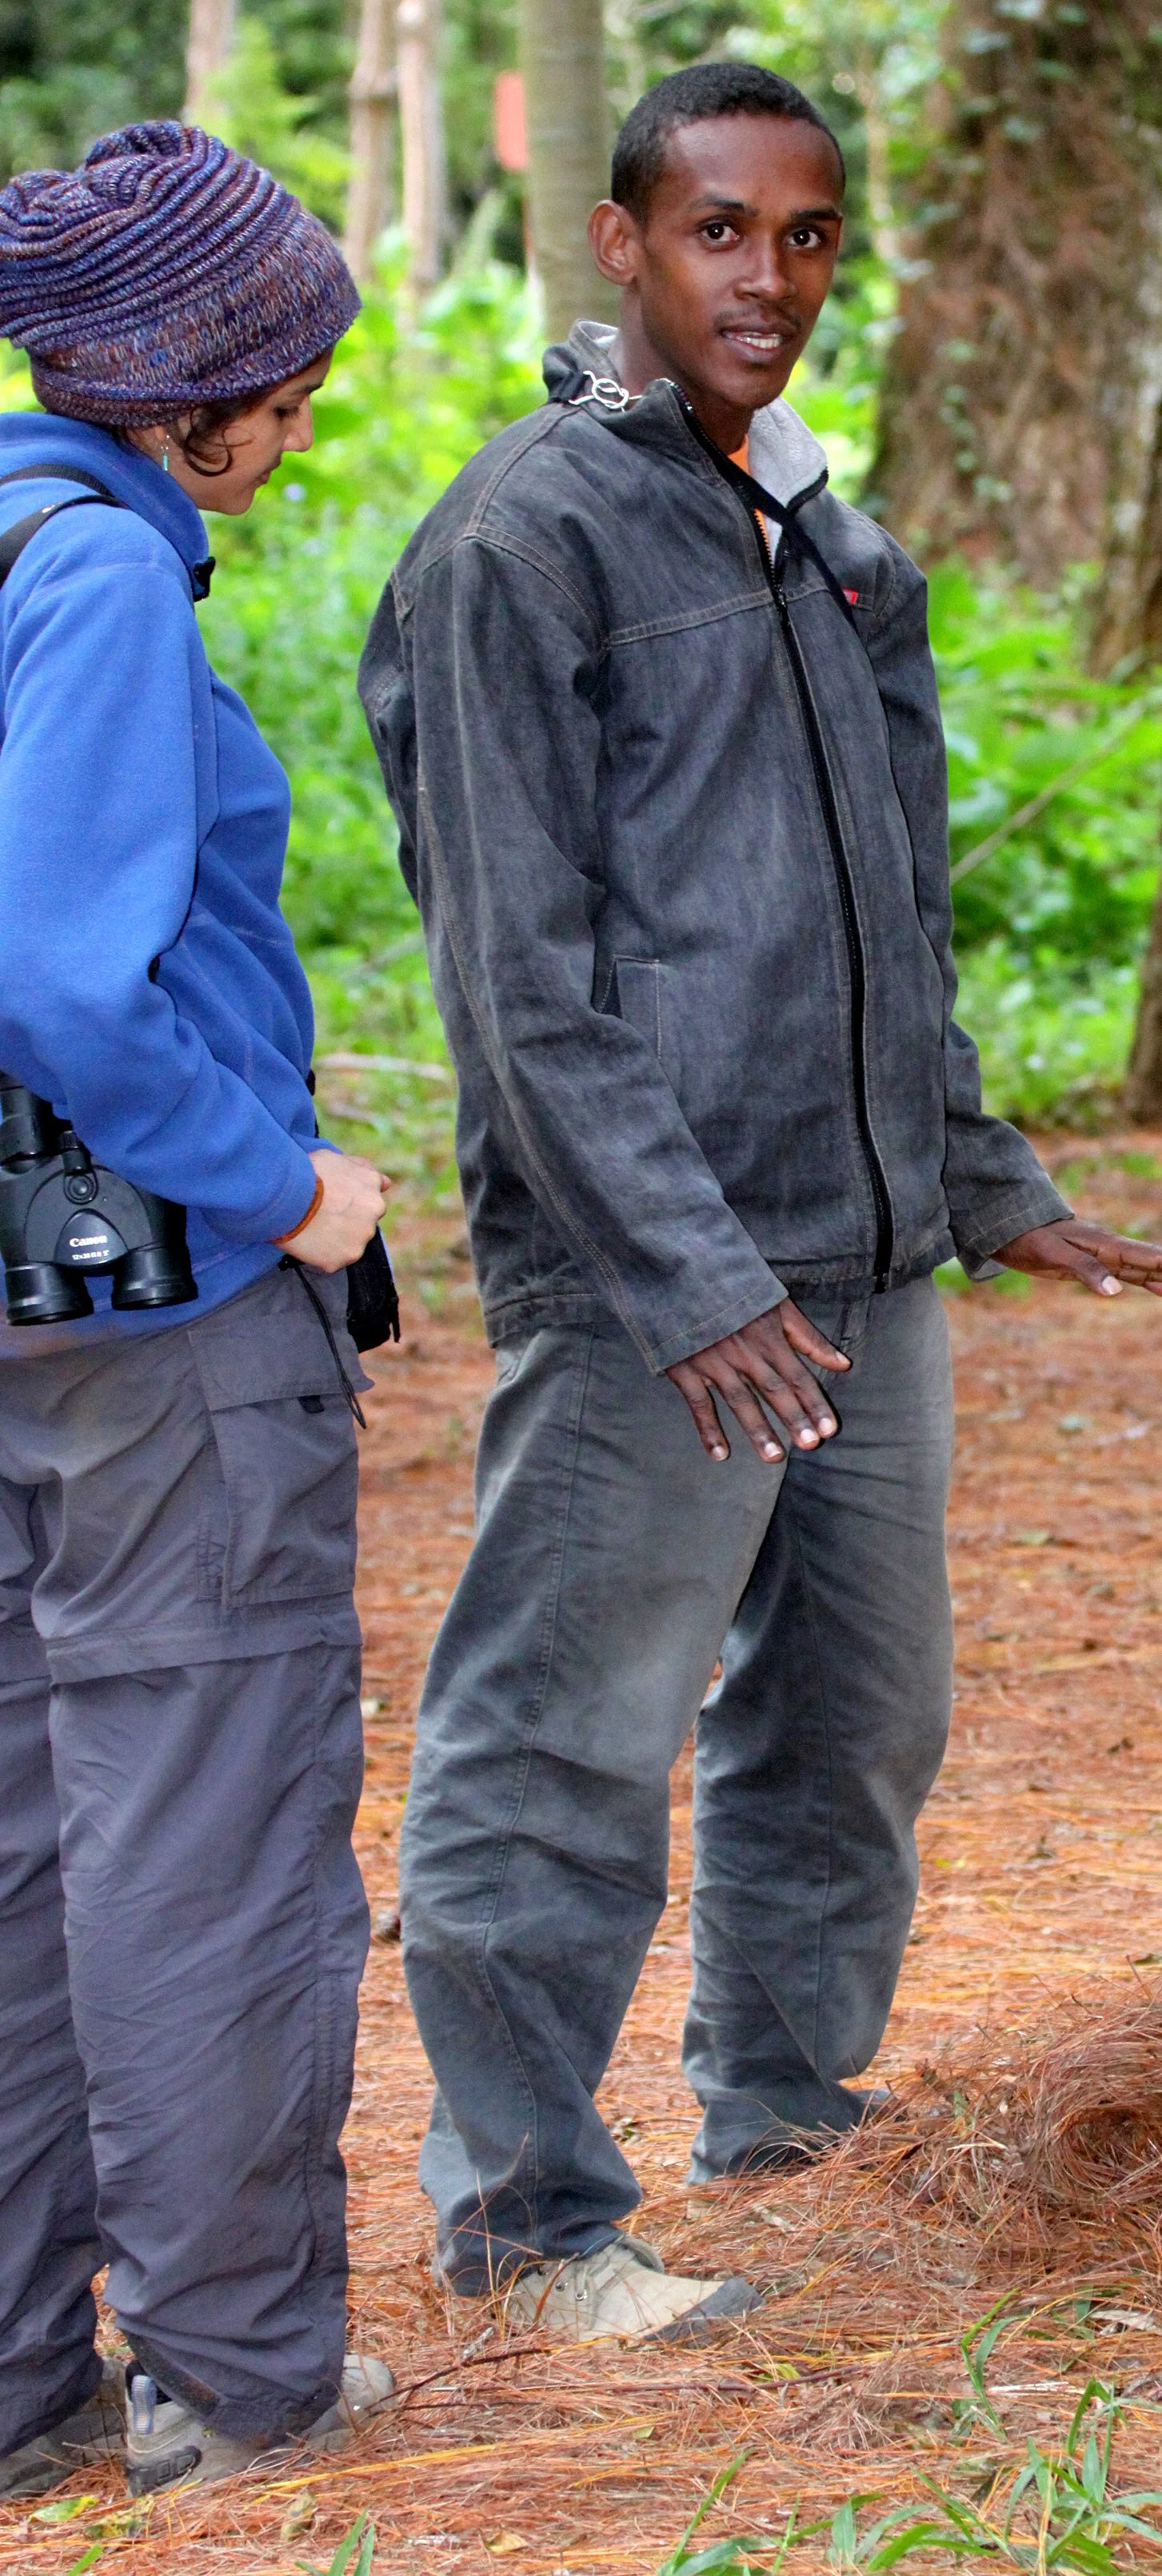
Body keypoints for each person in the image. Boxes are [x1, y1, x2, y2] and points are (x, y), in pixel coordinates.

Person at [358, 61, 1162, 2345]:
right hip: (661, 1287)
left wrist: (982, 1183)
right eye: (720, 231)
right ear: (626, 248)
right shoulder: (519, 544)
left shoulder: (838, 544)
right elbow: (516, 979)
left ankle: (787, 2119)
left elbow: (891, 930)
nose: (771, 277)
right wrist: (686, 1276)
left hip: (860, 1264)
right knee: (563, 1732)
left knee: (853, 1715)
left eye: (812, 233)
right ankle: (526, 2218)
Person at [0, 125, 397, 2498]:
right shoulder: (108, 594)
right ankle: (240, 2388)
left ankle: (25, 2391)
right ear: (193, 392)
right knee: (208, 1829)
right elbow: (61, 974)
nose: (312, 413)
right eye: (292, 373)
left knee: (35, 1833)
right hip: (159, 1317)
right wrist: (290, 1190)